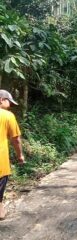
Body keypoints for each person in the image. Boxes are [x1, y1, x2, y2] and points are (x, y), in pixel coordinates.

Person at [0, 89, 25, 220]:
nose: (10, 106)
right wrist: (20, 155)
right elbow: (15, 139)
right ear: (1, 100)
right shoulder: (7, 115)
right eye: (9, 102)